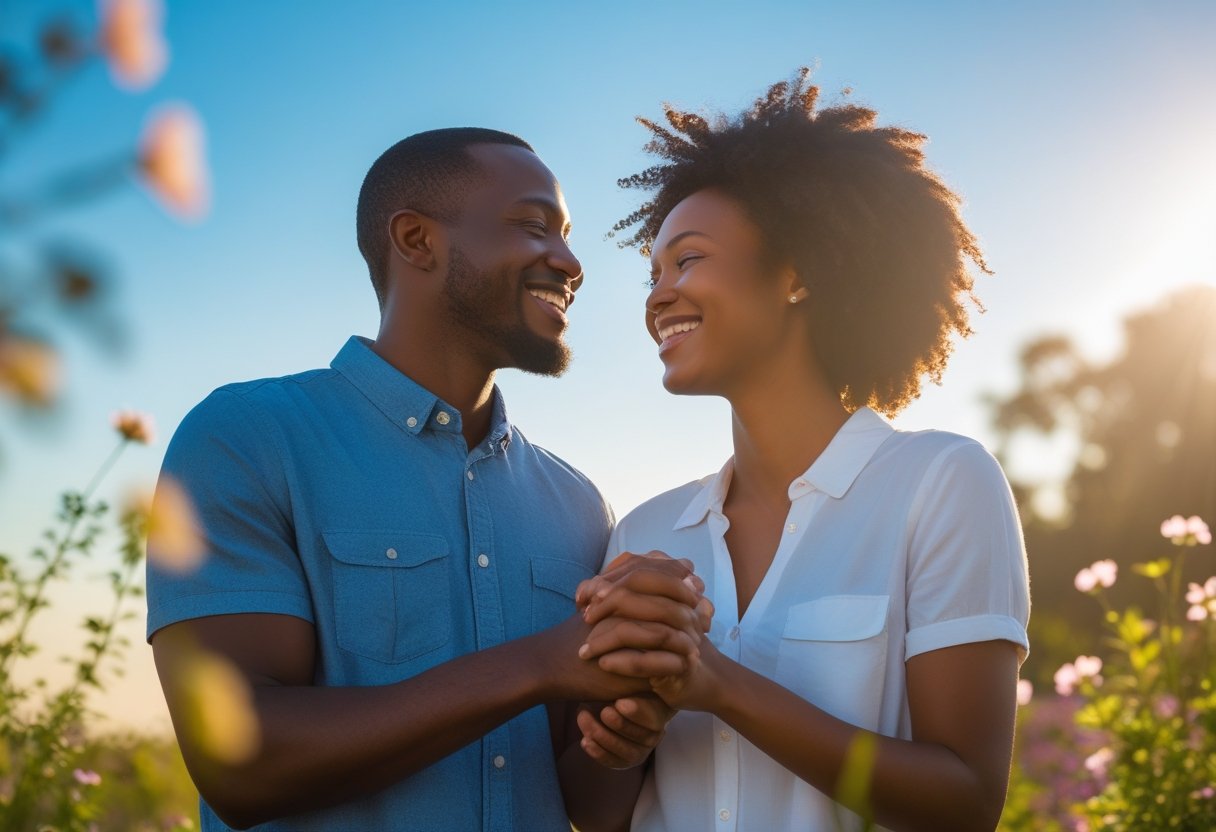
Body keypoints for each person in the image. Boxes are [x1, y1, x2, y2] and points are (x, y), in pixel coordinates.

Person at [145, 127, 707, 831]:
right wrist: (538, 664)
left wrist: (631, 723)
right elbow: (240, 763)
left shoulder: (579, 503)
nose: (569, 261)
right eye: (534, 226)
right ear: (416, 241)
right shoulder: (245, 437)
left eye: (567, 235)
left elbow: (590, 808)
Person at [575, 70, 1032, 831]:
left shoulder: (942, 485)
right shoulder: (644, 534)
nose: (656, 295)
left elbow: (965, 801)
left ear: (796, 274)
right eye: (652, 272)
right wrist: (624, 740)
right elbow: (600, 813)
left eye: (686, 260)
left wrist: (717, 685)